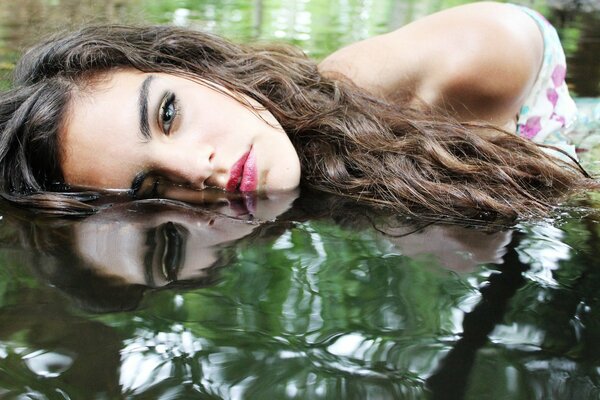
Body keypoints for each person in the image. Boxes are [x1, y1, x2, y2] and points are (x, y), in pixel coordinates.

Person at [0, 1, 597, 220]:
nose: (198, 171)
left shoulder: (468, 63)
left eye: (168, 114)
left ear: (197, 69)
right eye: (154, 186)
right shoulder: (290, 166)